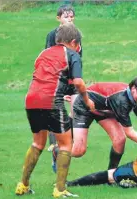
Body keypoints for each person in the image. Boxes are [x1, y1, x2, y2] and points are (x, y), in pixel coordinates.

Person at [14, 23, 94, 198]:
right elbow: (79, 82)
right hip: (51, 100)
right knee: (66, 144)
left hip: (31, 98)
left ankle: (23, 185)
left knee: (37, 143)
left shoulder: (43, 53)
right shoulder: (72, 54)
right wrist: (87, 101)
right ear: (74, 42)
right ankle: (60, 189)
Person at [70, 77, 137, 170]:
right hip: (84, 107)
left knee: (120, 140)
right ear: (134, 88)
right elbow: (130, 132)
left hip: (104, 110)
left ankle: (111, 174)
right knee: (79, 151)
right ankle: (59, 151)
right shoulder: (121, 101)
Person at [45, 4, 82, 173]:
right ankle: (55, 145)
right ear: (58, 18)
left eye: (72, 16)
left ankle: (67, 141)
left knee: (76, 111)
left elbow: (78, 58)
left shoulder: (77, 35)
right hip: (57, 81)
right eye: (66, 16)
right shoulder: (52, 35)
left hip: (71, 80)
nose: (70, 19)